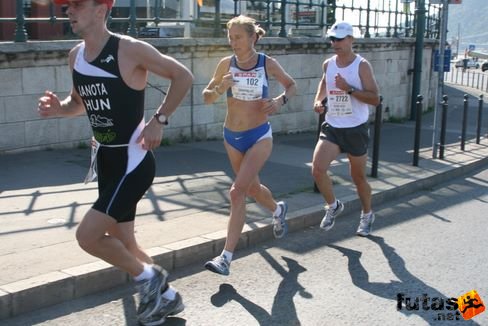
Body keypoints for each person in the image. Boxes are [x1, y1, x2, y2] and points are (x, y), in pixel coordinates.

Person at [38, 1, 193, 324]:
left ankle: (149, 280)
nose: (69, 11)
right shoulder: (75, 56)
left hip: (133, 160)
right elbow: (78, 103)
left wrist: (159, 121)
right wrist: (58, 109)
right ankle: (168, 298)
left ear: (101, 10)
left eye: (77, 5)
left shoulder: (129, 49)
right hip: (106, 161)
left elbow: (183, 76)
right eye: (67, 6)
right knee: (126, 242)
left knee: (88, 237)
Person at [202, 15, 297, 276]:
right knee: (252, 188)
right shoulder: (226, 64)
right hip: (232, 136)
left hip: (259, 135)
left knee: (236, 192)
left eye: (238, 38)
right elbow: (207, 98)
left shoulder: (267, 63)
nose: (233, 43)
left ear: (253, 37)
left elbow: (291, 86)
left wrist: (279, 102)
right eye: (230, 38)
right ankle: (278, 210)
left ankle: (225, 257)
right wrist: (221, 87)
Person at [311, 21, 380, 237]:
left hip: (355, 128)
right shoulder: (328, 64)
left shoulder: (361, 66)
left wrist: (348, 89)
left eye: (339, 39)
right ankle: (333, 206)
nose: (335, 43)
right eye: (332, 39)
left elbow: (375, 99)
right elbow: (324, 83)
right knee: (317, 169)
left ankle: (367, 214)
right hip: (333, 126)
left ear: (351, 39)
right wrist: (318, 100)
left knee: (358, 178)